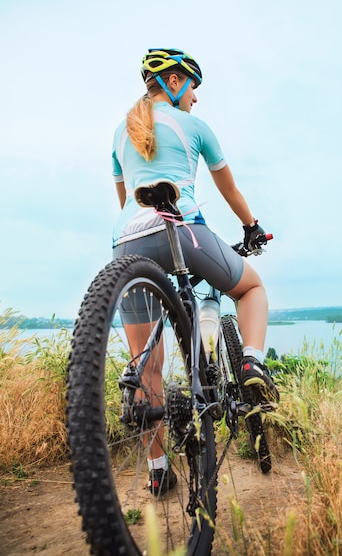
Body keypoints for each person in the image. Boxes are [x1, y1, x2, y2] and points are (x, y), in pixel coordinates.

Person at [112, 48, 277, 495]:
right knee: (251, 288)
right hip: (183, 233)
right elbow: (230, 189)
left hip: (126, 244)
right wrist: (252, 228)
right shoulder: (195, 126)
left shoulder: (120, 133)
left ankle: (159, 470)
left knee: (147, 368)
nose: (197, 99)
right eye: (194, 88)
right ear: (176, 83)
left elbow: (126, 196)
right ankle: (252, 364)